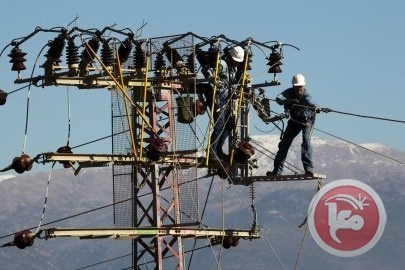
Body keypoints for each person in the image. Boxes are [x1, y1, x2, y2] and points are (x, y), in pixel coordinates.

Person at [268, 73, 318, 176]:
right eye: (296, 87)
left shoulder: (306, 96)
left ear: (303, 86)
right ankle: (277, 171)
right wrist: (287, 100)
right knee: (284, 144)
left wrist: (315, 107)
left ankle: (308, 168)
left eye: (300, 87)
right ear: (293, 86)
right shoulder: (289, 93)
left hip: (306, 122)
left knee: (306, 142)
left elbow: (310, 102)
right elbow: (278, 98)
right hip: (294, 122)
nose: (298, 89)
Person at [201, 46, 245, 162]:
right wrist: (213, 78)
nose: (237, 63)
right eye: (236, 61)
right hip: (216, 98)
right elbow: (206, 70)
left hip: (225, 100)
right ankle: (212, 153)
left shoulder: (233, 69)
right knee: (219, 125)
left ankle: (218, 150)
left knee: (229, 124)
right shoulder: (222, 64)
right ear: (231, 57)